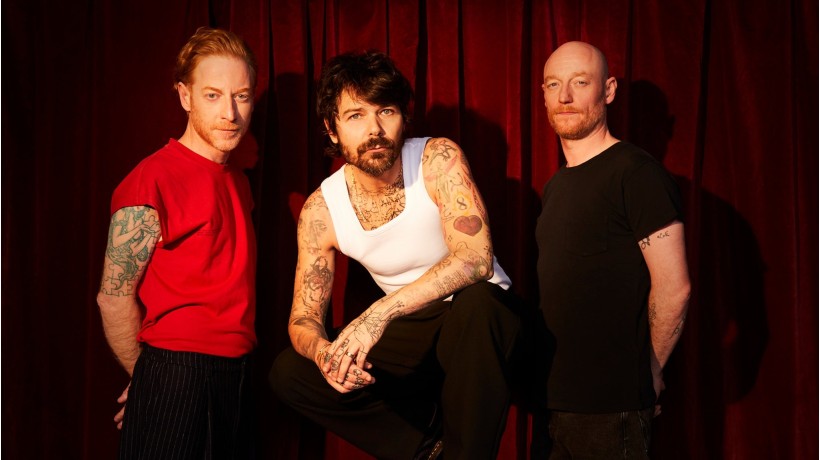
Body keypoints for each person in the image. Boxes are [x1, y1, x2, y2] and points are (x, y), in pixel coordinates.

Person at [269, 50, 525, 460]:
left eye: (385, 111)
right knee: (290, 373)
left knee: (478, 302)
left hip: (483, 320)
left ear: (403, 117)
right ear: (331, 129)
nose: (374, 129)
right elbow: (304, 317)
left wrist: (378, 315)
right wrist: (324, 354)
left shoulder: (437, 158)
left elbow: (476, 259)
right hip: (414, 330)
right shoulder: (322, 210)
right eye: (355, 116)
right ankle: (428, 449)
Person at [96, 27, 258, 459]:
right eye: (212, 95)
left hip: (238, 374)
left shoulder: (239, 181)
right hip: (176, 368)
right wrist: (147, 379)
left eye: (241, 96)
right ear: (185, 96)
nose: (230, 113)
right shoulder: (152, 179)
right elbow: (112, 297)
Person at [533, 41, 691, 458]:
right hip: (553, 403)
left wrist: (649, 373)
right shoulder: (556, 186)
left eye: (580, 83)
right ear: (544, 95)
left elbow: (674, 288)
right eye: (554, 84)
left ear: (608, 90)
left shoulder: (637, 174)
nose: (565, 97)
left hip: (612, 407)